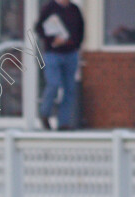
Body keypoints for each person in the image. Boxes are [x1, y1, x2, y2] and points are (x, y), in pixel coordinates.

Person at [34, 0, 84, 130]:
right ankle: (45, 114)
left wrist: (75, 45)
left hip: (71, 54)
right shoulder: (49, 8)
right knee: (53, 84)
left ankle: (63, 123)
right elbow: (39, 28)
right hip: (53, 54)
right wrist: (52, 40)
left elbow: (80, 29)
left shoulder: (75, 9)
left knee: (69, 89)